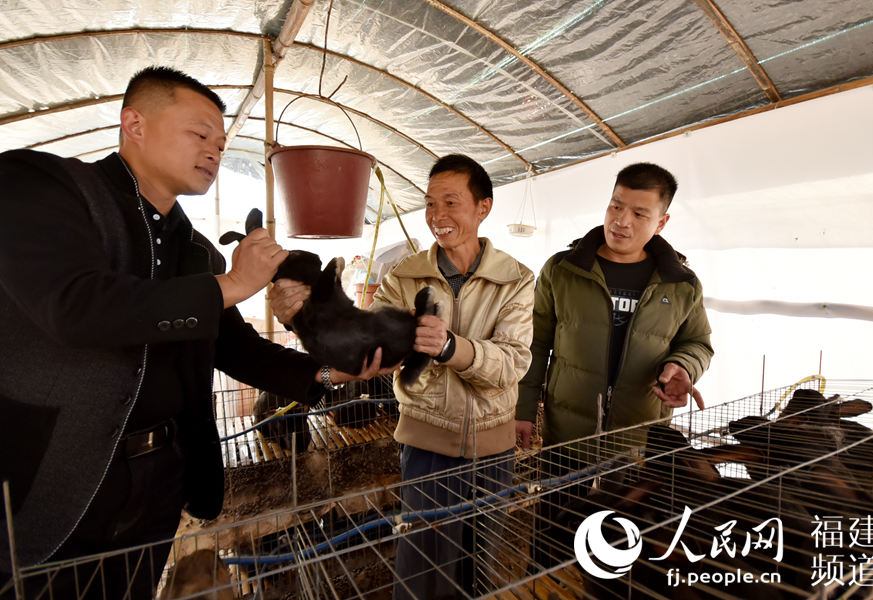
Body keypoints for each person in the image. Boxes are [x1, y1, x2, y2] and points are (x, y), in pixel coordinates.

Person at [0, 66, 390, 600]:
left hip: (160, 477)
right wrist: (231, 284)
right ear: (134, 123)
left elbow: (234, 346)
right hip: (55, 476)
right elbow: (74, 308)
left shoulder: (195, 249)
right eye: (199, 134)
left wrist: (327, 370)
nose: (214, 150)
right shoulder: (44, 188)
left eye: (222, 142)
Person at [270, 154, 535, 599]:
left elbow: (513, 362)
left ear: (483, 207)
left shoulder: (515, 280)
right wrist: (304, 318)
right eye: (431, 204)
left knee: (476, 568)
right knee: (422, 567)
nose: (437, 216)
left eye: (451, 203)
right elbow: (360, 340)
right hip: (427, 445)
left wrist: (452, 347)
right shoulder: (404, 275)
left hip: (492, 447)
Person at [514, 161, 713, 566]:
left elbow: (698, 342)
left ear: (661, 221)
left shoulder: (681, 283)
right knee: (554, 532)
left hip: (637, 439)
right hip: (567, 433)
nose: (621, 222)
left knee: (619, 544)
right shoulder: (564, 269)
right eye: (616, 206)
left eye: (639, 213)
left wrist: (682, 367)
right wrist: (522, 411)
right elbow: (535, 345)